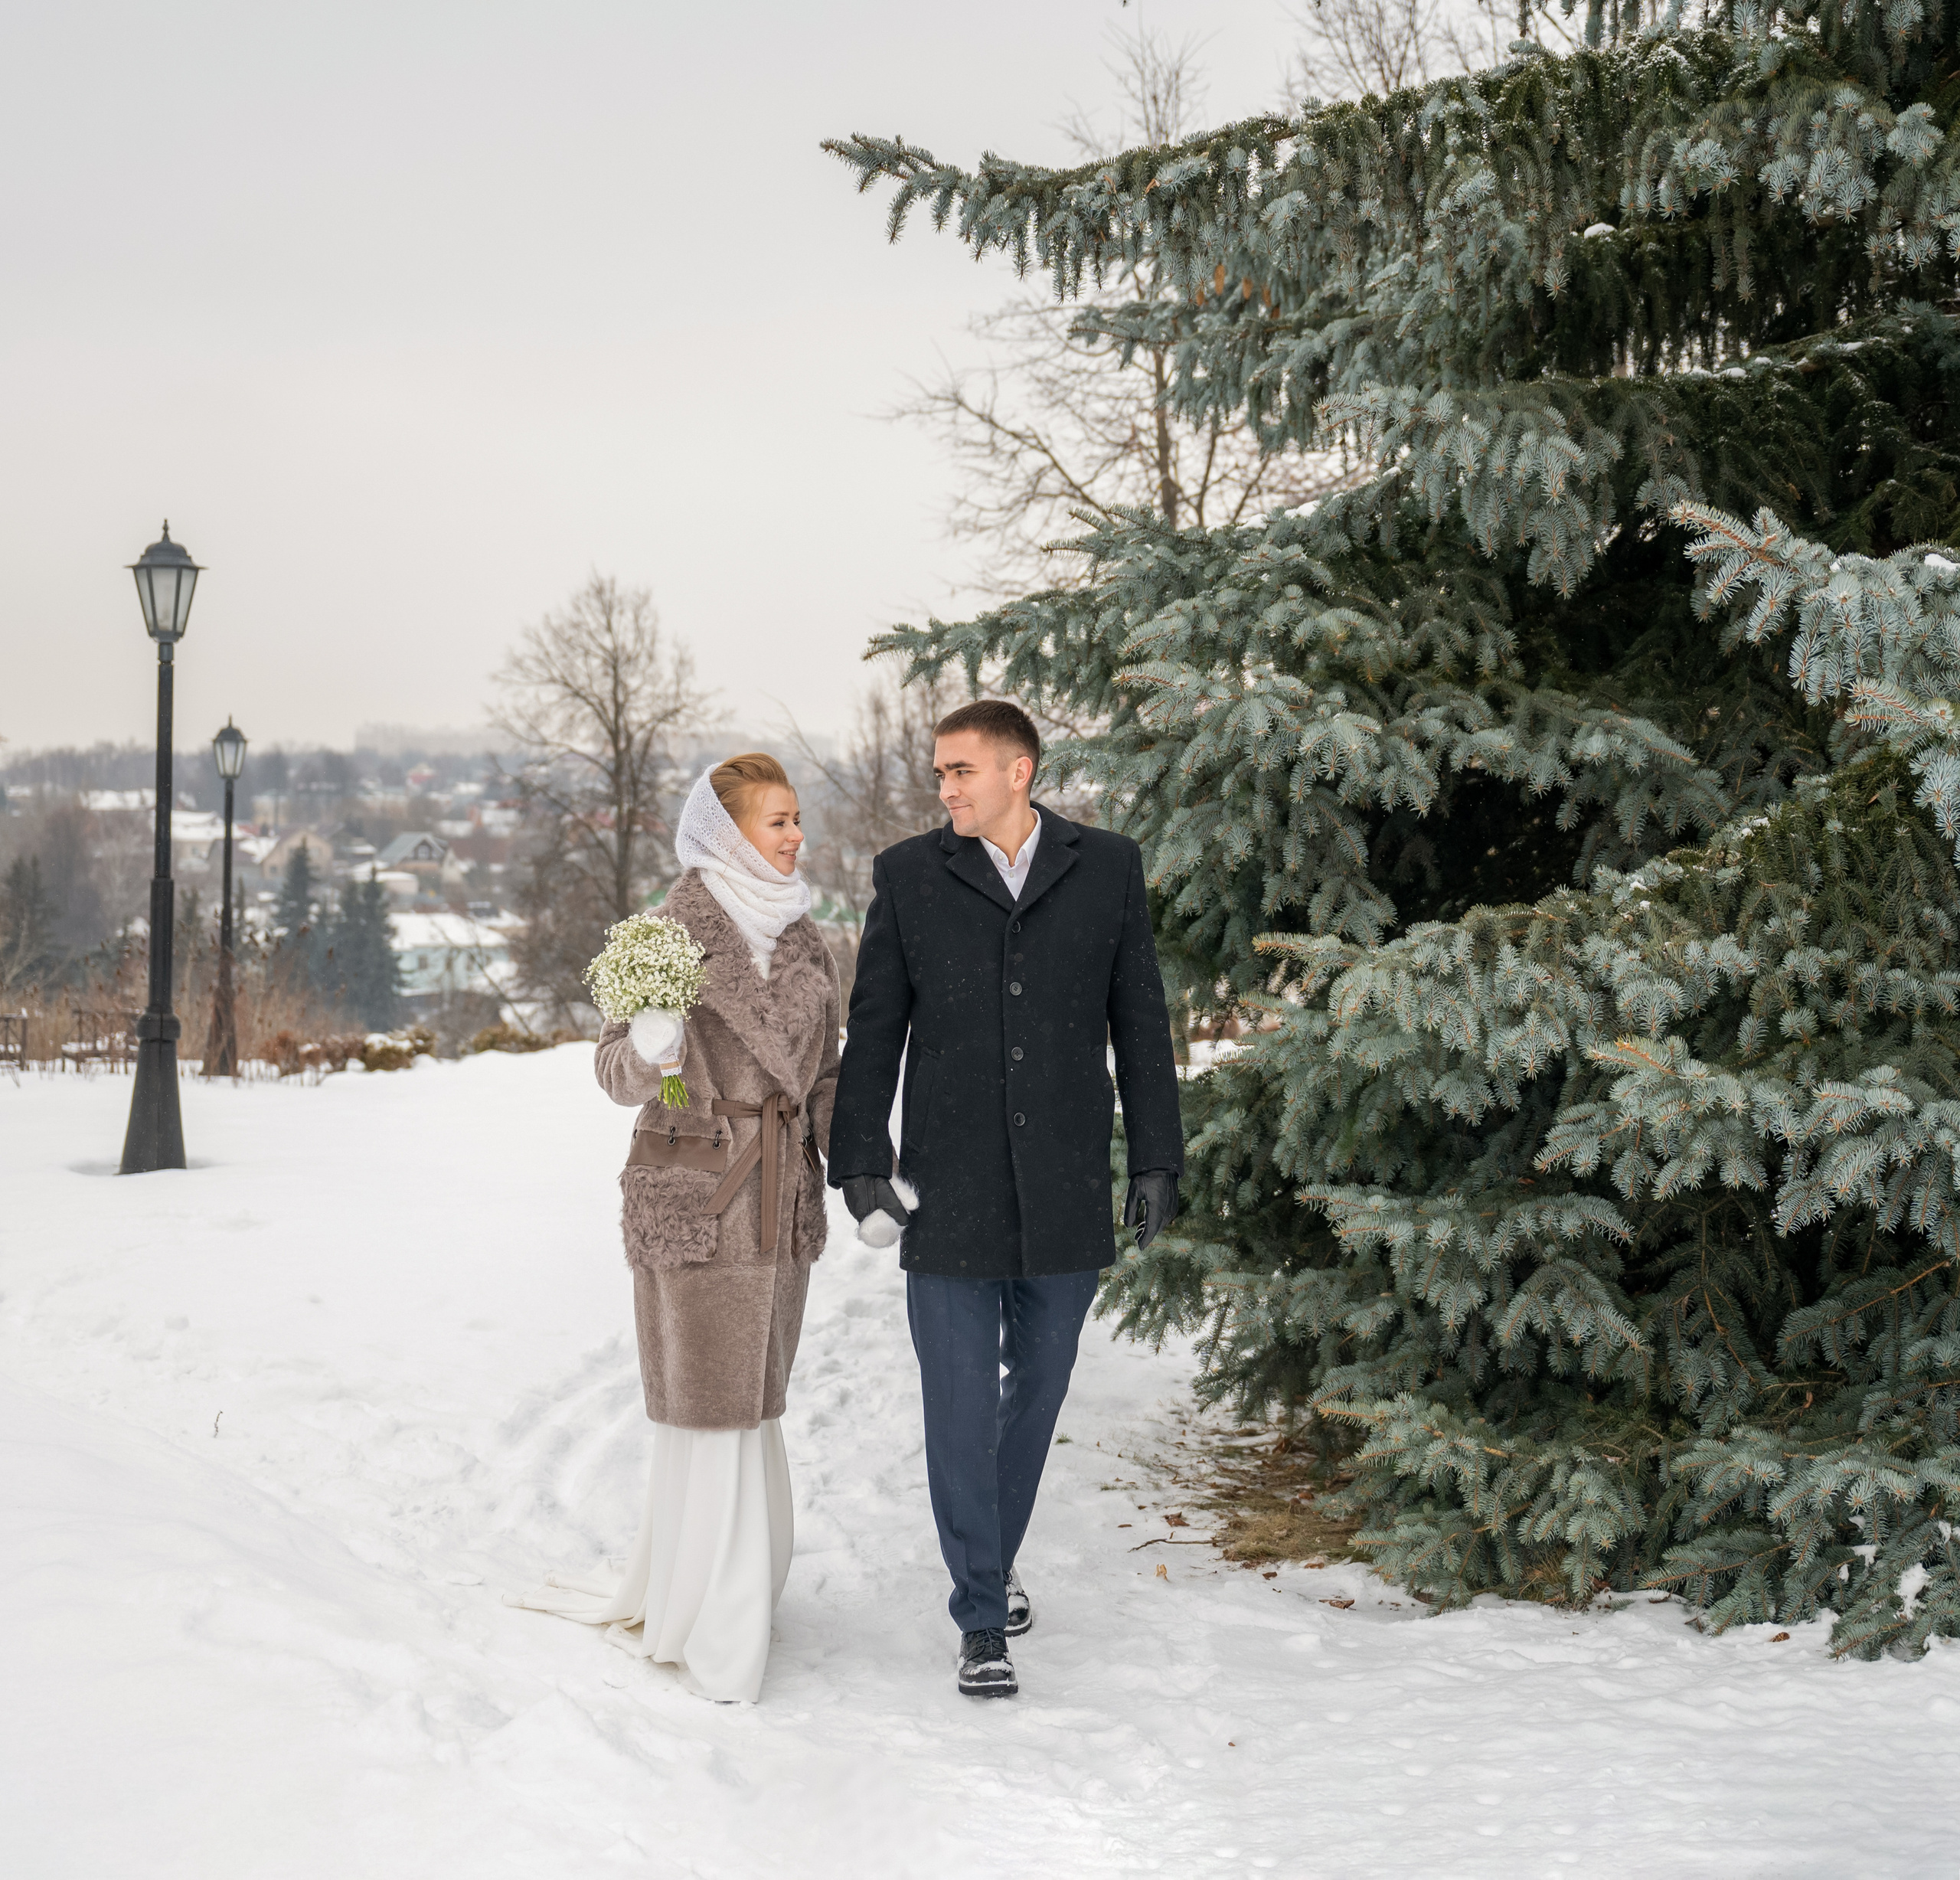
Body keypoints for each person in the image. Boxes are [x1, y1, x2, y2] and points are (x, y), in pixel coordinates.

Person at [826, 698, 1184, 1699]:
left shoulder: (1106, 865)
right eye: (939, 773)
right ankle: (981, 1613)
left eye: (961, 770)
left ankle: (992, 1553)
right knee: (956, 1402)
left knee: (1038, 1384)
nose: (945, 788)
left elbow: (1141, 1020)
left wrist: (1156, 1156)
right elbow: (875, 1027)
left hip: (1067, 1184)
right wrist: (861, 1157)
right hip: (950, 1189)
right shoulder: (909, 876)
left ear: (1019, 770)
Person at [511, 753, 839, 1704]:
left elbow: (823, 1076)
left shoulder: (810, 943)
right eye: (776, 822)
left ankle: (746, 1583)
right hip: (698, 1191)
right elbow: (614, 1069)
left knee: (757, 1397)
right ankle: (712, 1619)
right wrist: (649, 1047)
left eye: (794, 820)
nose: (795, 836)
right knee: (709, 1403)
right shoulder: (664, 935)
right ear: (728, 834)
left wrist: (860, 1172)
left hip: (782, 1195)